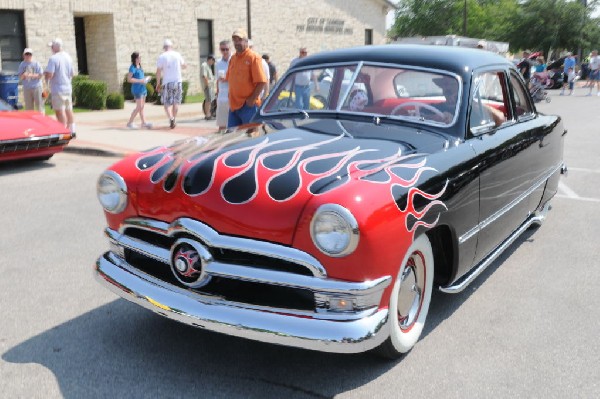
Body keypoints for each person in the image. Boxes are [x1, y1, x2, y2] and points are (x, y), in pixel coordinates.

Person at [226, 28, 267, 128]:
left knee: (251, 138)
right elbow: (229, 79)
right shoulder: (233, 58)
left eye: (239, 40)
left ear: (246, 41)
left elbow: (262, 82)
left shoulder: (253, 57)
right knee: (232, 139)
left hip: (248, 107)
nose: (237, 43)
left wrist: (251, 100)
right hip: (233, 106)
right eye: (234, 40)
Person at [44, 38, 75, 133]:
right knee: (69, 109)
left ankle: (63, 131)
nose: (51, 48)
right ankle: (72, 130)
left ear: (56, 47)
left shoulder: (53, 58)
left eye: (52, 46)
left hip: (58, 88)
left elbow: (50, 75)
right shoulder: (68, 57)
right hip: (67, 87)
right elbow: (72, 74)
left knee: (59, 111)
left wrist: (45, 73)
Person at [156, 38, 186, 129]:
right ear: (171, 46)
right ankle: (174, 118)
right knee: (176, 102)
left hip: (167, 82)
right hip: (177, 81)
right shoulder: (177, 55)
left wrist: (158, 83)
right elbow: (184, 65)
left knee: (166, 103)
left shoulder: (162, 56)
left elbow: (158, 71)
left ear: (164, 47)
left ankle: (171, 118)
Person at [126, 52, 152, 129]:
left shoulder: (139, 67)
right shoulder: (132, 68)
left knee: (142, 107)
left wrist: (146, 79)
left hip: (143, 89)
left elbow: (141, 78)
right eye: (139, 57)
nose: (140, 59)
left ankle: (143, 123)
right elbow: (129, 79)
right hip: (137, 90)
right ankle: (130, 123)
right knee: (139, 107)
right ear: (135, 59)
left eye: (140, 57)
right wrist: (141, 81)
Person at [18, 48, 44, 114]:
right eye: (26, 54)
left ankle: (42, 120)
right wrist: (24, 75)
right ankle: (30, 122)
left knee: (39, 105)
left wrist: (30, 75)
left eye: (29, 54)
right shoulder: (22, 64)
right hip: (27, 88)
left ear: (31, 55)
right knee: (28, 107)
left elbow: (40, 75)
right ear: (23, 55)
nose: (28, 55)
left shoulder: (36, 63)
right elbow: (20, 77)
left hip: (36, 87)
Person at [215, 40, 231, 131]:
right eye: (222, 49)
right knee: (221, 123)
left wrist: (227, 79)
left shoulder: (234, 60)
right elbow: (217, 79)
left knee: (232, 124)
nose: (225, 51)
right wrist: (217, 92)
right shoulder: (218, 63)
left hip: (232, 95)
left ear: (230, 49)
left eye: (226, 49)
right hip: (221, 95)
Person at [200, 54, 216, 120]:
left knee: (209, 100)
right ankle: (207, 115)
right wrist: (207, 86)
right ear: (210, 59)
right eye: (213, 60)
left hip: (210, 86)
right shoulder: (204, 65)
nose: (213, 62)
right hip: (207, 86)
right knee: (208, 100)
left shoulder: (208, 66)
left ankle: (208, 114)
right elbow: (204, 76)